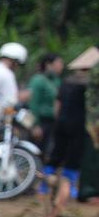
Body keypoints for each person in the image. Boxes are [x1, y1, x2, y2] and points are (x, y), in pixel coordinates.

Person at [49, 46, 99, 203]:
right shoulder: (88, 84)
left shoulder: (66, 82)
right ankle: (70, 189)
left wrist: (57, 122)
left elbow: (56, 104)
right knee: (74, 157)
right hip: (79, 125)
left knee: (56, 155)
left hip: (61, 123)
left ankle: (46, 187)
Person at [28, 53, 63, 157]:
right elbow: (33, 103)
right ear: (48, 64)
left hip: (53, 122)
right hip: (42, 122)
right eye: (59, 63)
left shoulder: (56, 81)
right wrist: (35, 125)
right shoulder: (38, 80)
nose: (61, 66)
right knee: (37, 151)